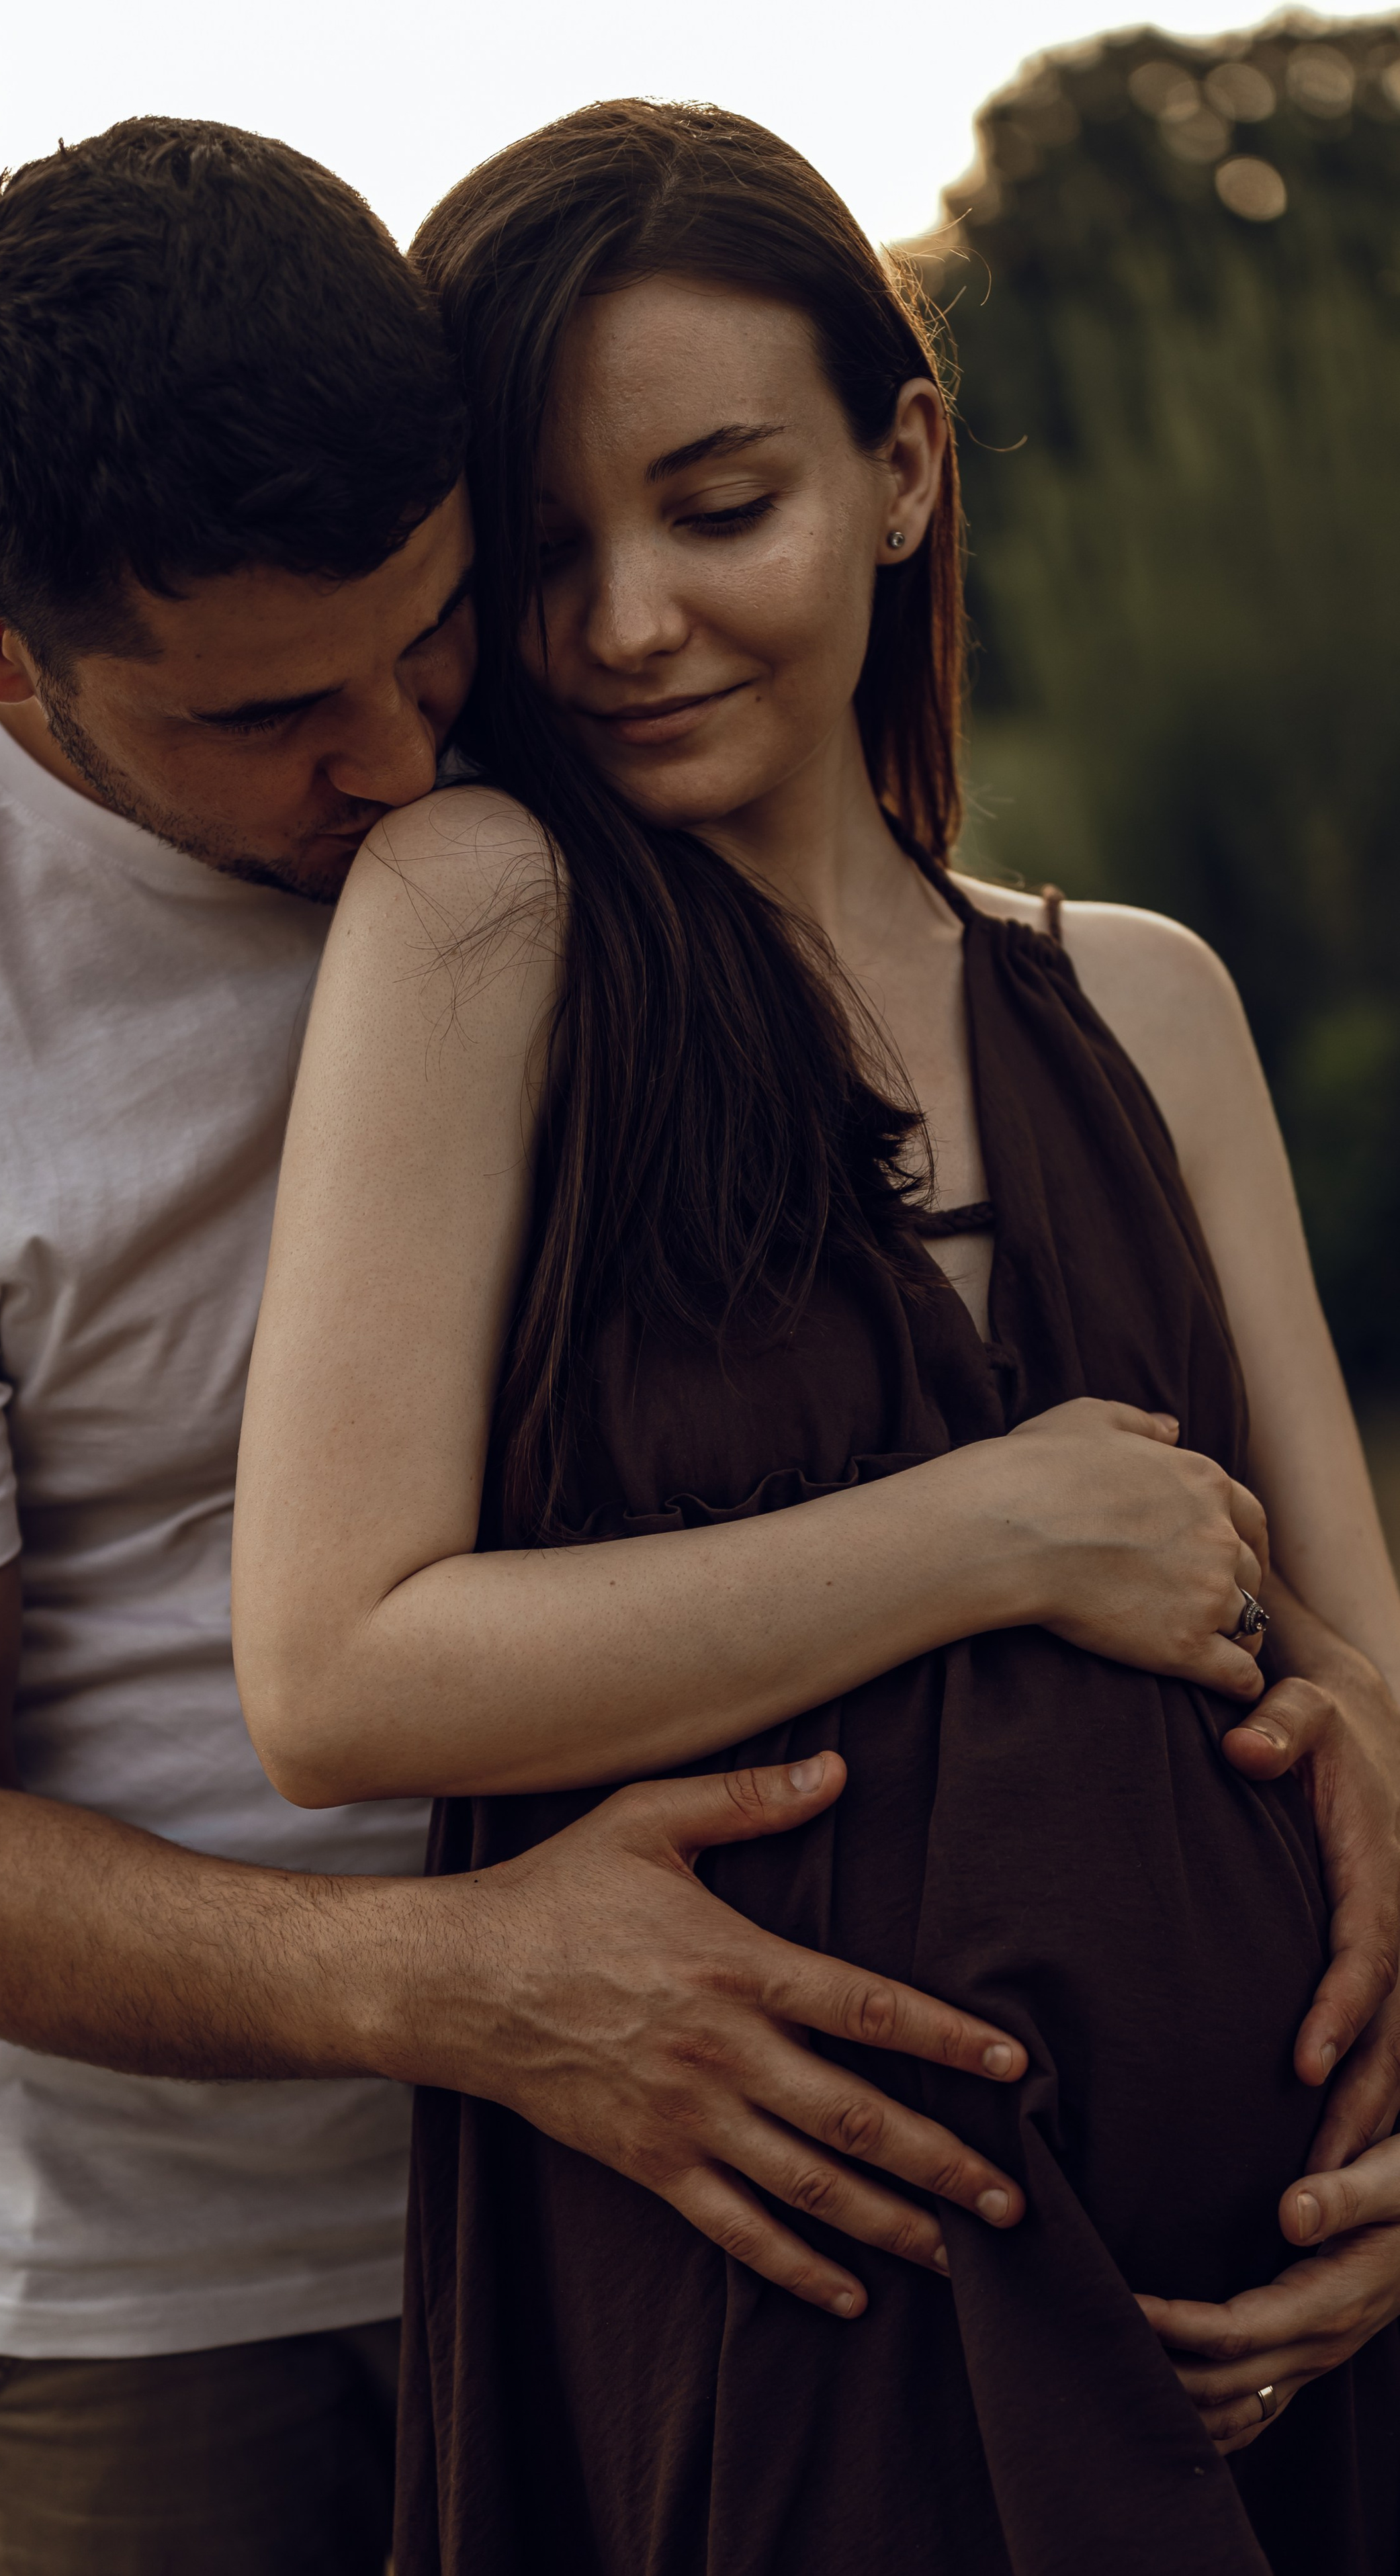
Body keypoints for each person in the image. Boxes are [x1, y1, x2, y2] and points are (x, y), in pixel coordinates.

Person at [0, 115, 1210, 2573]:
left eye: (428, 634)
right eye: (272, 717)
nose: (397, 760)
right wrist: (467, 1985)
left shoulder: (557, 686)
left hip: (704, 2167)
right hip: (164, 2279)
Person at [232, 101, 1400, 2574]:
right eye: (545, 552)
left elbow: (1364, 1671)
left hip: (1280, 2326)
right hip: (790, 2311)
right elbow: (339, 1669)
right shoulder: (484, 921)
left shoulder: (1147, 1002)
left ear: (901, 468)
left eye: (719, 505)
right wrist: (990, 1532)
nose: (628, 620)